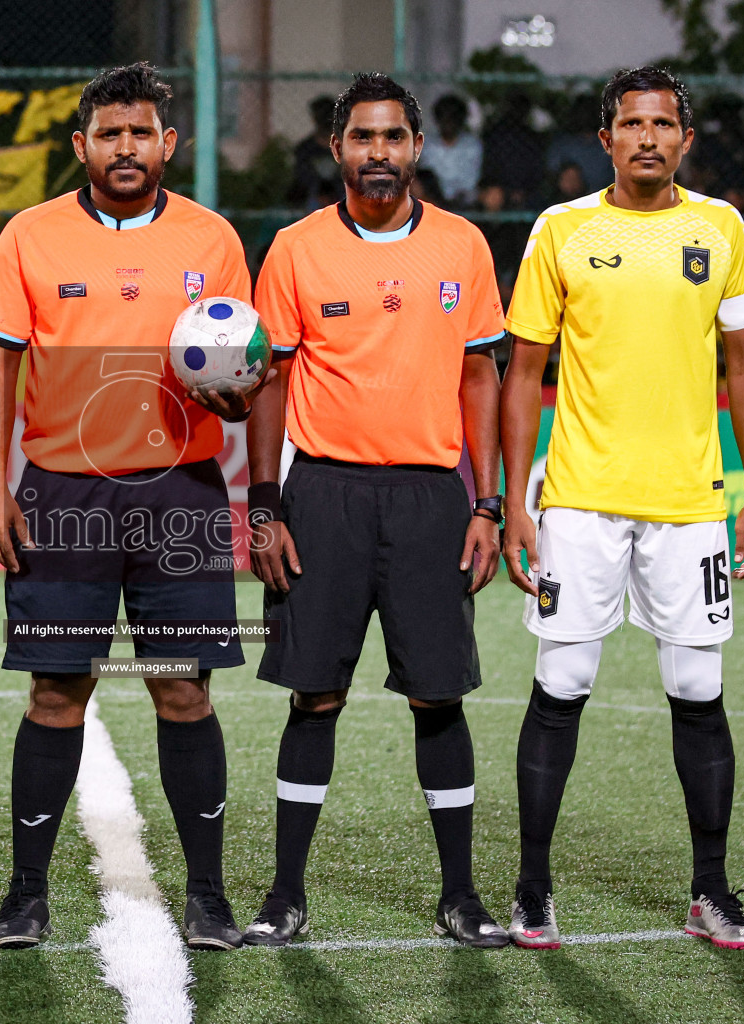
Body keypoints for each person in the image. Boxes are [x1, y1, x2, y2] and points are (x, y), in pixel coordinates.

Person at [0, 62, 259, 951]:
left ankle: (207, 894)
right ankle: (25, 895)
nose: (125, 148)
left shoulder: (212, 239)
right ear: (81, 145)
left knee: (183, 693)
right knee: (57, 694)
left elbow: (243, 369)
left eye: (142, 133)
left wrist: (237, 393)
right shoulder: (29, 235)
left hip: (180, 493)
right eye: (109, 133)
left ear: (168, 144)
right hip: (62, 493)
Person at [500, 66, 744, 951]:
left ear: (686, 140)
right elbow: (524, 374)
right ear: (606, 137)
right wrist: (512, 504)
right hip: (578, 502)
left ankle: (711, 890)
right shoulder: (561, 231)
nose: (647, 136)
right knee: (562, 684)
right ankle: (533, 889)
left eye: (663, 124)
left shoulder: (719, 226)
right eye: (631, 123)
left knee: (698, 687)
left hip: (690, 505)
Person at [239, 72, 509, 949]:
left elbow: (480, 377)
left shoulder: (463, 248)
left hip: (434, 497)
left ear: (417, 148)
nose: (378, 153)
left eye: (393, 138)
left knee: (439, 698)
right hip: (324, 493)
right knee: (314, 697)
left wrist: (488, 502)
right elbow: (271, 379)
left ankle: (460, 896)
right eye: (362, 138)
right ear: (338, 148)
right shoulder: (295, 249)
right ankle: (285, 896)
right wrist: (266, 506)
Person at [423, 94, 483, 206]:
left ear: (460, 120)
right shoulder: (427, 144)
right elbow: (426, 176)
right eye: (444, 118)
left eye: (452, 118)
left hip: (465, 198)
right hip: (434, 198)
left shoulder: (471, 145)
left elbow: (471, 179)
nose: (448, 123)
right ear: (438, 120)